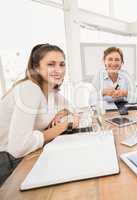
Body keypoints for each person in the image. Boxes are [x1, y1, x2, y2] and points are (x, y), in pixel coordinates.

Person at [0, 44, 79, 185]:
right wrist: (63, 125)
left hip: (24, 156)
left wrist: (63, 112)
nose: (58, 70)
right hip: (7, 162)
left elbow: (73, 108)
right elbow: (18, 147)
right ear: (36, 67)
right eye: (51, 64)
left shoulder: (50, 91)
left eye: (62, 65)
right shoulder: (30, 89)